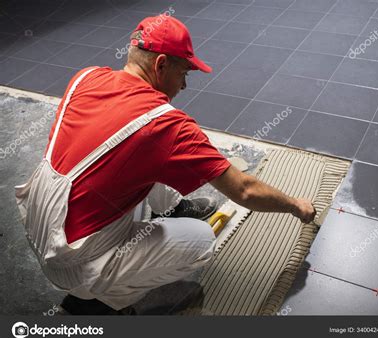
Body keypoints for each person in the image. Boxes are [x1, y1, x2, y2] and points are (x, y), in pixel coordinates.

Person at [14, 15, 316, 315]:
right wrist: (295, 206)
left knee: (143, 152)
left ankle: (171, 207)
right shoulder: (167, 125)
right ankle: (99, 301)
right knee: (201, 241)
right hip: (74, 260)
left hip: (40, 224)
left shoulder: (86, 77)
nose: (184, 85)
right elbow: (245, 191)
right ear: (160, 65)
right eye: (184, 73)